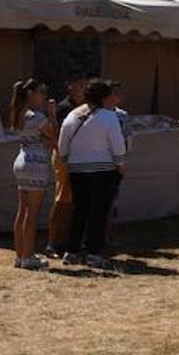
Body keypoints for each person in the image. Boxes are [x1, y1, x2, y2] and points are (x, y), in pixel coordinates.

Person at [58, 79, 127, 268]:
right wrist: (121, 164)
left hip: (76, 169)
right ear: (104, 97)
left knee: (79, 211)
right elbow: (118, 145)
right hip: (103, 170)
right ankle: (93, 253)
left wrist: (66, 158)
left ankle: (71, 251)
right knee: (98, 213)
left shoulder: (73, 114)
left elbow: (62, 143)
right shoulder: (109, 117)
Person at [8, 78, 55, 270]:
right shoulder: (37, 117)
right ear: (31, 94)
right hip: (36, 163)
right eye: (41, 92)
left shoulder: (20, 114)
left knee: (22, 210)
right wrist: (52, 116)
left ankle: (20, 255)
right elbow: (55, 136)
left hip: (22, 159)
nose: (44, 97)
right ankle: (28, 256)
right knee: (32, 213)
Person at [46, 77, 86, 258]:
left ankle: (68, 240)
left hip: (80, 158)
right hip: (65, 158)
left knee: (74, 203)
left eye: (84, 85)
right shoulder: (63, 108)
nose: (81, 89)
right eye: (77, 85)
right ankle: (53, 243)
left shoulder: (88, 107)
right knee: (63, 201)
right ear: (69, 86)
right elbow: (57, 134)